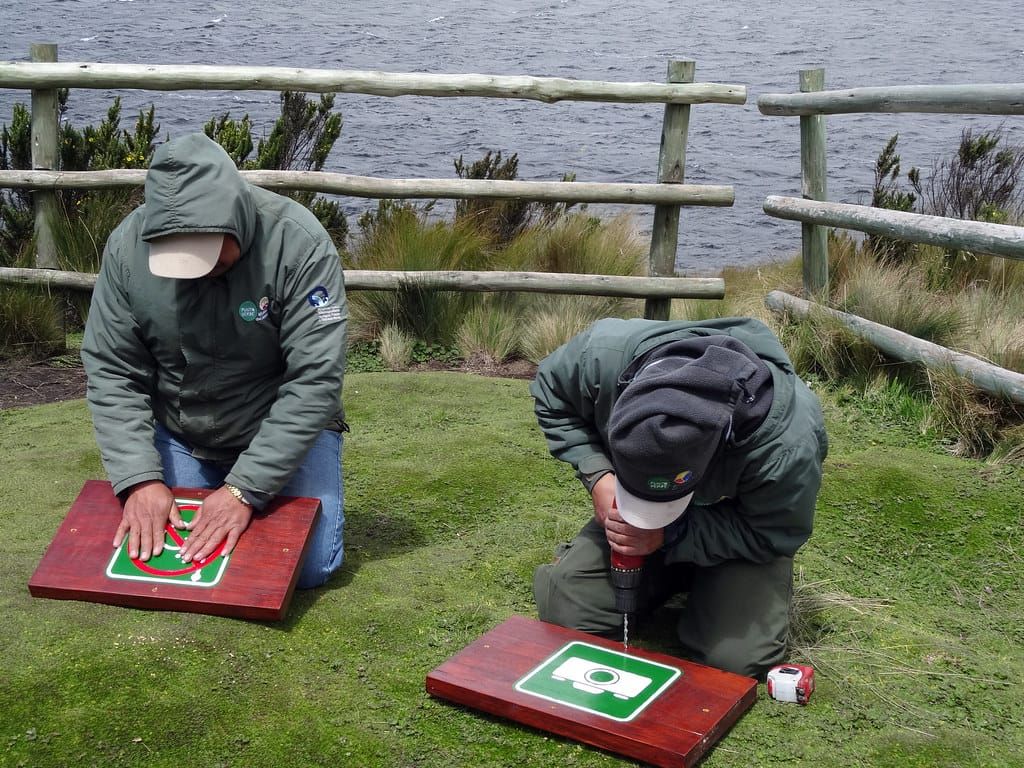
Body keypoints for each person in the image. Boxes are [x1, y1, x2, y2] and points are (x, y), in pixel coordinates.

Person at [80, 132, 348, 589]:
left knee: (307, 565)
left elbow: (315, 380)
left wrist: (244, 489)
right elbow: (112, 370)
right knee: (151, 546)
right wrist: (140, 480)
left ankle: (258, 486)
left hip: (273, 421)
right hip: (183, 429)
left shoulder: (299, 244)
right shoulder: (127, 249)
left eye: (208, 257)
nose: (197, 270)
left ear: (234, 217)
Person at [529, 316, 828, 678]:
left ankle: (711, 584)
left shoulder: (787, 443)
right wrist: (597, 473)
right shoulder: (601, 358)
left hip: (735, 532)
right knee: (568, 611)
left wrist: (670, 534)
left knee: (735, 660)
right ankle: (673, 575)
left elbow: (771, 532)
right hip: (663, 528)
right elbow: (551, 393)